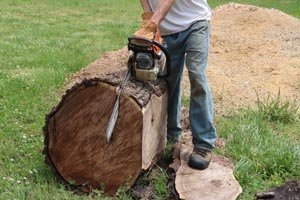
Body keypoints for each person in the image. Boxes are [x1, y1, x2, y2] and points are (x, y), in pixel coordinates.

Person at [135, 0, 217, 170]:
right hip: (168, 31)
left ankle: (204, 144)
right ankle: (172, 136)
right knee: (168, 82)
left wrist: (154, 20)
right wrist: (148, 16)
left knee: (196, 74)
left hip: (196, 21)